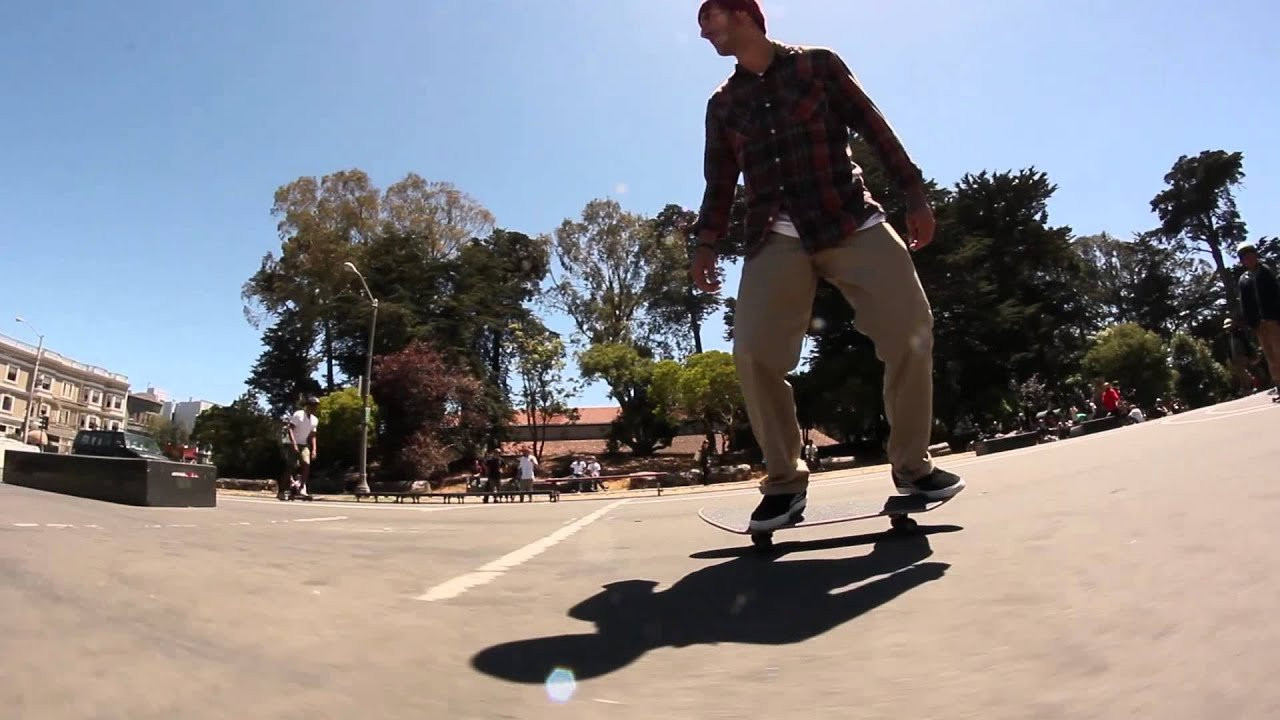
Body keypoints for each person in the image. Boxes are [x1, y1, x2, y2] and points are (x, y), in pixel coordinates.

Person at [689, 0, 963, 533]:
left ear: (744, 14)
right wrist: (705, 244)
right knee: (753, 353)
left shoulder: (818, 65)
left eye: (709, 21)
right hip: (776, 235)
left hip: (849, 219)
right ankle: (784, 485)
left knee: (911, 330)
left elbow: (873, 127)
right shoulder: (724, 104)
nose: (703, 35)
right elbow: (720, 182)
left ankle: (913, 468)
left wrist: (914, 193)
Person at [1236, 242, 1280, 400]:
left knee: (1278, 350)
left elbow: (1276, 295)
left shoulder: (1266, 272)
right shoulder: (1244, 280)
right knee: (1270, 355)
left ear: (1255, 256)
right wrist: (1251, 324)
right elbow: (1245, 305)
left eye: (1250, 256)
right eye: (1244, 258)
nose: (1248, 260)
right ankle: (1279, 384)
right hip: (1259, 324)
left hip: (1272, 319)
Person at [279, 395, 319, 501]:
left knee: (306, 463)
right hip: (291, 443)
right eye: (312, 405)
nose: (314, 408)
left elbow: (313, 435)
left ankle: (302, 488)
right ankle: (282, 490)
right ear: (308, 406)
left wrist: (314, 449)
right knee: (291, 467)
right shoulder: (299, 414)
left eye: (316, 406)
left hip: (304, 444)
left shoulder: (314, 420)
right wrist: (294, 444)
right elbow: (290, 429)